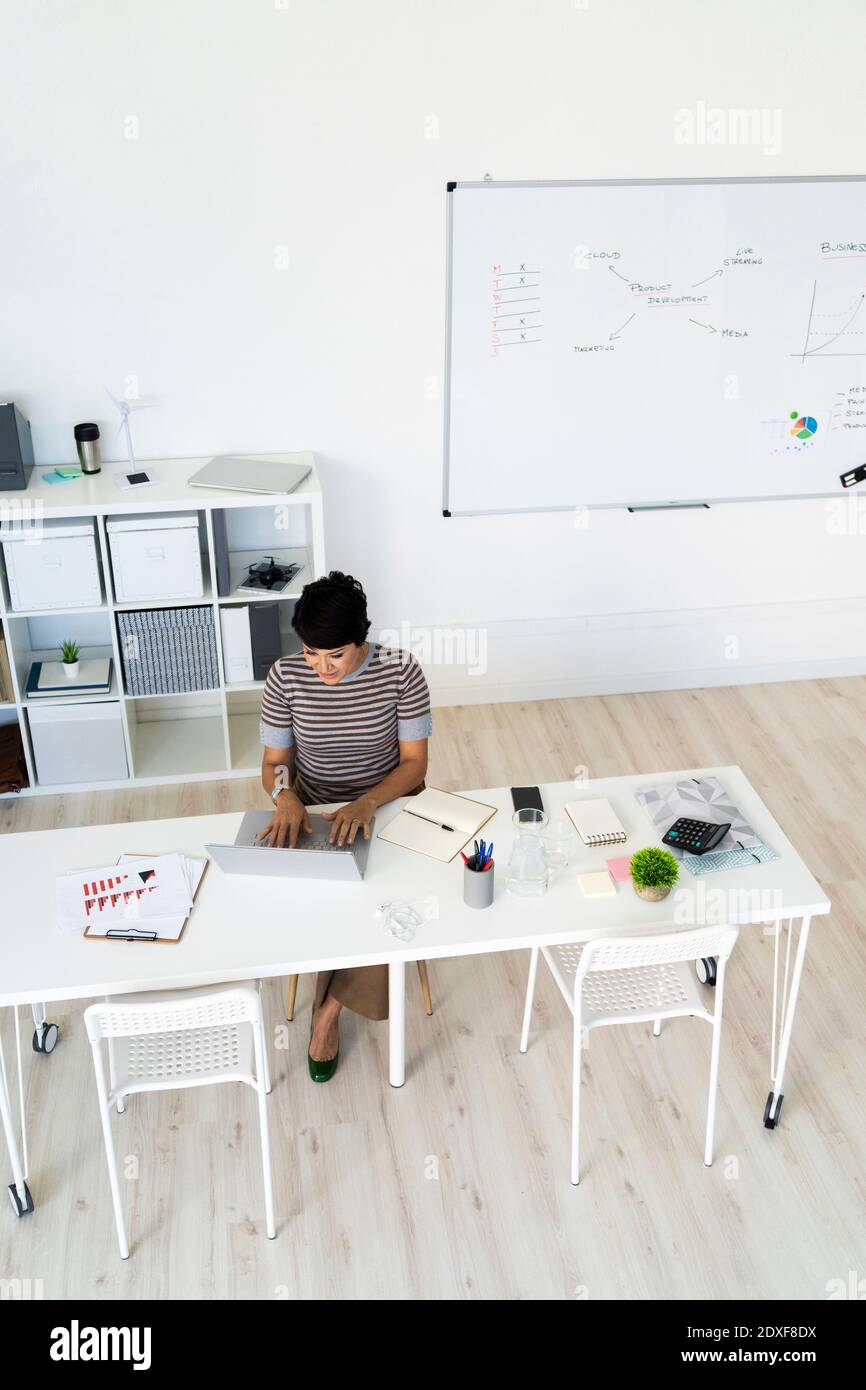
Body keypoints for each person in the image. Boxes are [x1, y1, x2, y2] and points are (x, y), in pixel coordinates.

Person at [259, 571, 431, 1081]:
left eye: (335, 654)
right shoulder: (285, 675)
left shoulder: (401, 671)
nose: (321, 667)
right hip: (315, 806)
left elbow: (415, 764)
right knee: (330, 901)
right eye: (312, 652)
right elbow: (274, 763)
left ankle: (327, 1014)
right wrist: (284, 795)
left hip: (387, 804)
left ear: (361, 640)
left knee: (389, 908)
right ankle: (338, 987)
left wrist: (367, 803)